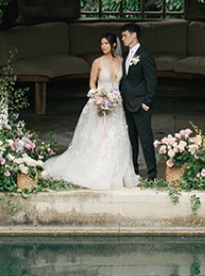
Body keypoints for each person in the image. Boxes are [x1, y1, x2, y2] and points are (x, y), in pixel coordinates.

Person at [41, 33, 139, 189]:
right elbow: (92, 84)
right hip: (99, 103)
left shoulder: (121, 61)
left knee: (117, 136)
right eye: (101, 44)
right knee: (98, 136)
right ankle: (96, 169)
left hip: (117, 104)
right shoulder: (97, 63)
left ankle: (116, 172)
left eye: (106, 43)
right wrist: (99, 99)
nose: (103, 46)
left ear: (114, 45)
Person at [120, 22, 158, 178]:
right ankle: (134, 171)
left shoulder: (145, 55)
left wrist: (147, 103)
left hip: (141, 105)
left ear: (133, 35)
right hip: (127, 104)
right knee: (131, 141)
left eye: (124, 35)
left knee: (145, 140)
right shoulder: (125, 55)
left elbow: (152, 81)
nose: (122, 39)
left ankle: (152, 174)